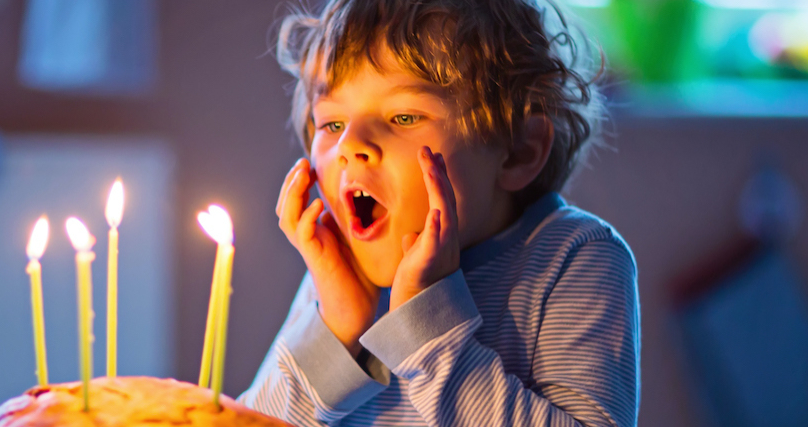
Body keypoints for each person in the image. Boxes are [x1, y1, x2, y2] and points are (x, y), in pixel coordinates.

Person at [238, 0, 639, 425]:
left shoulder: (575, 258)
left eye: (403, 116)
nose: (349, 145)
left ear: (518, 152)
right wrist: (335, 325)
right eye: (331, 124)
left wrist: (425, 327)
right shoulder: (337, 275)